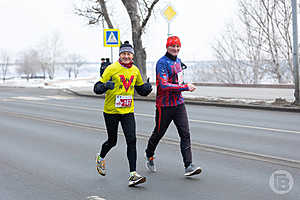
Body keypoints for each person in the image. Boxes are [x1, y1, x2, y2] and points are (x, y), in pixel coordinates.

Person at [94, 41, 152, 187]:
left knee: (132, 140)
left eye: (129, 54)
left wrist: (147, 88)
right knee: (112, 141)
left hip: (127, 111)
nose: (126, 56)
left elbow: (140, 89)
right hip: (111, 111)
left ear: (132, 56)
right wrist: (105, 86)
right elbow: (97, 88)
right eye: (124, 53)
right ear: (120, 55)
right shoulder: (111, 68)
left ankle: (133, 174)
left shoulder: (135, 70)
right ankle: (101, 157)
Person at [144, 36, 202, 177]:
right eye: (173, 46)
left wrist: (184, 84)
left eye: (178, 46)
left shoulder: (178, 61)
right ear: (167, 47)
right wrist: (185, 87)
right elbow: (164, 85)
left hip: (178, 104)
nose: (175, 49)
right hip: (164, 106)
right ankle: (149, 153)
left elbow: (177, 81)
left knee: (185, 134)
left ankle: (188, 166)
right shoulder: (161, 63)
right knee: (159, 133)